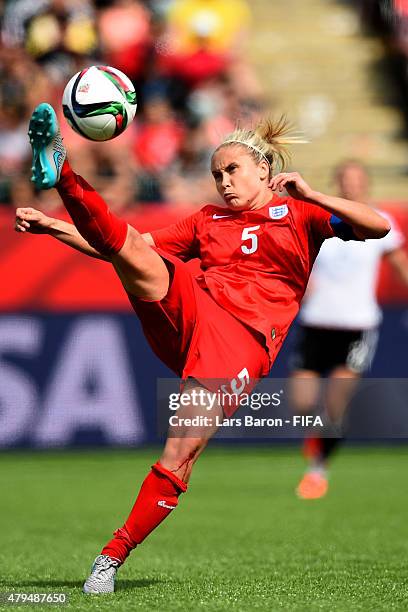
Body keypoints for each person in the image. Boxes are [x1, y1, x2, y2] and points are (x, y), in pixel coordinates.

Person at [16, 103, 390, 594]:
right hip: (193, 308)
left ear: (264, 169)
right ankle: (62, 172)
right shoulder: (206, 219)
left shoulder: (301, 212)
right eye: (217, 175)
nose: (224, 182)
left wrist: (316, 193)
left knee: (180, 450)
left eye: (233, 170)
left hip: (241, 342)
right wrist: (57, 228)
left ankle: (110, 557)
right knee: (137, 253)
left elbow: (378, 226)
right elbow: (123, 246)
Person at [289, 160, 408, 500]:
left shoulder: (378, 224)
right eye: (345, 179)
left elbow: (399, 262)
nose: (352, 185)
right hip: (316, 321)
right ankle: (314, 440)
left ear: (366, 184)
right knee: (301, 402)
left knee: (335, 402)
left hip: (357, 325)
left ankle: (317, 470)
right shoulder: (321, 221)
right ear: (337, 182)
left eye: (357, 180)